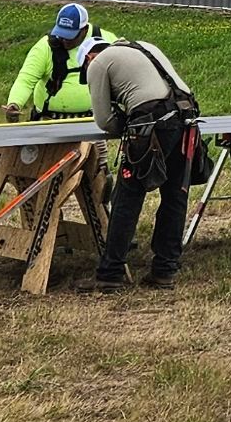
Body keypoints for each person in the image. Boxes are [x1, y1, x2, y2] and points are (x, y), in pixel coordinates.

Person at [82, 38, 202, 289]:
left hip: (154, 122)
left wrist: (125, 127)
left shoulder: (98, 64)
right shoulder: (144, 47)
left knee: (128, 196)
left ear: (88, 58)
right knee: (175, 195)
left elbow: (104, 120)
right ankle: (165, 270)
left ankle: (110, 273)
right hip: (187, 116)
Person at [7, 2, 102, 121]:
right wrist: (14, 103)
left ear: (85, 29)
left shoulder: (104, 40)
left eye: (69, 36)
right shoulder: (44, 47)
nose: (64, 40)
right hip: (49, 120)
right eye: (61, 34)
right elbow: (25, 80)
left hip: (92, 120)